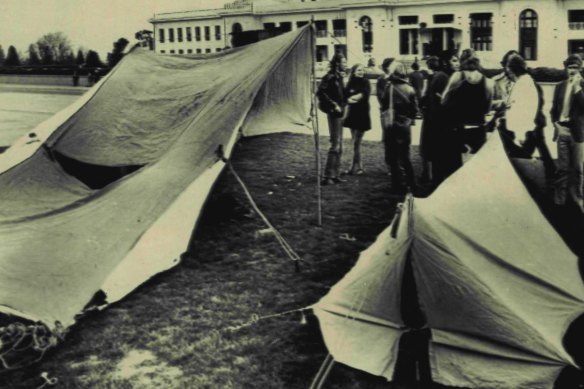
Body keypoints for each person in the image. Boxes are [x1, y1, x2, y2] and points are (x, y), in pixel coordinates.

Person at [502, 55, 555, 175]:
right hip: (528, 129)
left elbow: (527, 110)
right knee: (524, 157)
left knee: (520, 161)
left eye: (509, 70)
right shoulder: (524, 82)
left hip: (526, 130)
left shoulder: (524, 84)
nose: (508, 73)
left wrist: (521, 134)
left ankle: (545, 177)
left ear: (512, 70)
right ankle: (550, 172)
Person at [441, 51, 493, 160]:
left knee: (459, 168)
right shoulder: (487, 81)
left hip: (459, 129)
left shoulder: (457, 76)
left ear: (462, 61)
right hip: (479, 130)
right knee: (477, 166)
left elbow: (444, 101)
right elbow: (487, 110)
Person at [550, 54, 584, 211]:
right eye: (569, 67)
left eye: (575, 67)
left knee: (578, 169)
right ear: (566, 68)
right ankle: (559, 203)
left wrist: (578, 89)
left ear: (580, 69)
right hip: (562, 130)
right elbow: (553, 109)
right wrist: (555, 124)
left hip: (578, 133)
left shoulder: (582, 86)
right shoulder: (559, 86)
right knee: (562, 168)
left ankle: (578, 201)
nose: (572, 70)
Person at [379, 61, 419, 193]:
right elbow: (414, 111)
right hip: (405, 126)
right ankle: (412, 183)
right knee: (405, 156)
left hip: (392, 125)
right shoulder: (410, 89)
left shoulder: (389, 87)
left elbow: (383, 105)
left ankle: (397, 185)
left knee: (393, 157)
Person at [425, 50, 460, 185]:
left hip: (440, 126)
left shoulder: (443, 76)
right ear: (445, 62)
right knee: (443, 163)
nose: (458, 63)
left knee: (441, 163)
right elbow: (443, 104)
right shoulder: (443, 77)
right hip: (442, 127)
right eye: (454, 60)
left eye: (458, 60)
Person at [317, 53, 348, 185]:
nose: (346, 64)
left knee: (340, 145)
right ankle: (327, 176)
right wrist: (333, 104)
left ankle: (335, 175)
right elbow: (320, 92)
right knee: (335, 145)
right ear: (337, 63)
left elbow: (342, 94)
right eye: (344, 62)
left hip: (340, 113)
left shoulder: (339, 77)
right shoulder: (329, 77)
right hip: (334, 113)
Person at [343, 63, 372, 175]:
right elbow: (345, 96)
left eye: (362, 70)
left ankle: (354, 167)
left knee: (356, 142)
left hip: (362, 115)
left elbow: (363, 95)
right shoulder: (350, 82)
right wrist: (350, 99)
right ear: (354, 71)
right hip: (352, 115)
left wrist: (352, 98)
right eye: (359, 70)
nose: (361, 72)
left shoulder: (366, 82)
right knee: (355, 142)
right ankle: (357, 167)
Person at [419, 55, 440, 183]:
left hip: (429, 117)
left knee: (426, 146)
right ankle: (430, 174)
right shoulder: (440, 77)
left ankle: (426, 173)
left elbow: (423, 96)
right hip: (435, 116)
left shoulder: (429, 78)